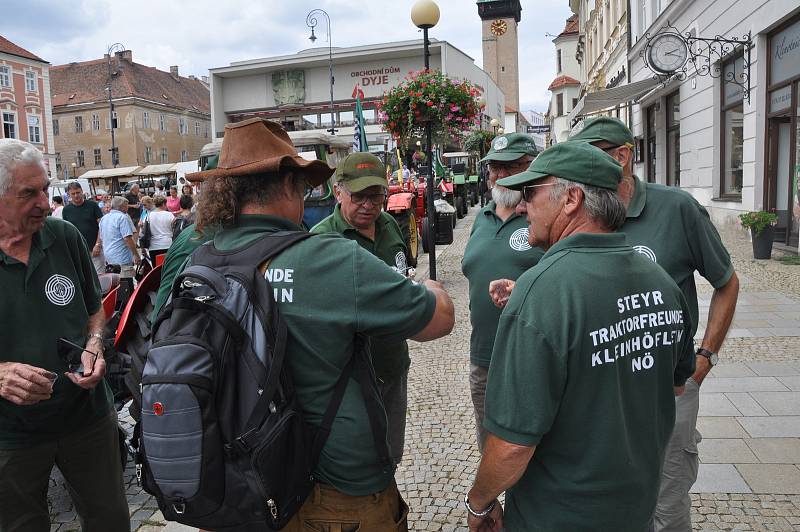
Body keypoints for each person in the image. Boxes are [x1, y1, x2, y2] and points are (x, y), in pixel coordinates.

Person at [184, 117, 454, 530]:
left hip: (241, 484)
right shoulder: (328, 258)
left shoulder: (198, 264)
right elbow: (438, 321)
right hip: (334, 484)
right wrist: (434, 289)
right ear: (292, 185)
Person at [465, 141, 695, 532]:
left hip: (557, 515)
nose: (522, 207)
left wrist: (478, 503)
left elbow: (512, 445)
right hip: (635, 509)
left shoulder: (541, 292)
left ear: (571, 199)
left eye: (531, 194)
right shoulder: (662, 283)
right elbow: (673, 386)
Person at [569, 116, 740, 531]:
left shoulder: (676, 208)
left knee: (667, 498)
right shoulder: (586, 213)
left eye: (590, 161)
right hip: (604, 389)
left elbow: (726, 282)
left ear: (623, 157)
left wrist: (705, 358)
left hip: (671, 385)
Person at [0, 138, 129, 531]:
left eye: (45, 188)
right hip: (10, 434)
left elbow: (94, 311)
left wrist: (95, 345)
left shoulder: (65, 237)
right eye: (28, 193)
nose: (44, 202)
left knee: (109, 520)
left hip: (86, 416)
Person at [312, 152, 412, 465]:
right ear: (338, 191)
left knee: (391, 452)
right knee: (355, 460)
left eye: (377, 195)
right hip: (348, 378)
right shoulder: (321, 240)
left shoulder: (389, 226)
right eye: (359, 196)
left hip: (391, 362)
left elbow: (401, 278)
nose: (369, 204)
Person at [461, 133, 542, 451]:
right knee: (490, 447)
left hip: (529, 358)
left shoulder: (542, 215)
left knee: (528, 450)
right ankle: (489, 502)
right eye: (494, 168)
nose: (497, 176)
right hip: (484, 356)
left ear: (529, 167)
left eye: (508, 168)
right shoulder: (483, 216)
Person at [62, 181, 105, 274]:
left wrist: (98, 244)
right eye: (73, 194)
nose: (76, 195)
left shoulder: (92, 205)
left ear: (82, 191)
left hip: (94, 248)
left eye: (78, 192)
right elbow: (66, 231)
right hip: (78, 250)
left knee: (100, 277)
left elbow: (102, 226)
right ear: (69, 194)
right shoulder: (66, 210)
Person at [98, 196, 141, 278]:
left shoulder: (104, 218)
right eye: (127, 206)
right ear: (122, 207)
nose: (127, 208)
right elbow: (127, 239)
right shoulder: (122, 217)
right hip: (121, 257)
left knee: (116, 284)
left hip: (109, 257)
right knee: (126, 284)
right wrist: (136, 255)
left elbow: (101, 237)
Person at [145, 195, 174, 263]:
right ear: (164, 204)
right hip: (167, 244)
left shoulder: (149, 215)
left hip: (153, 246)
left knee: (156, 269)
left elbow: (145, 231)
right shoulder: (170, 215)